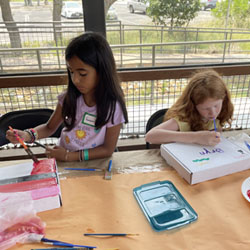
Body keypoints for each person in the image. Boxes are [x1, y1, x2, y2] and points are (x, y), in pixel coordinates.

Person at [6, 32, 128, 162]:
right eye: (71, 72)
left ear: (102, 71)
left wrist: (69, 156)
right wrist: (27, 135)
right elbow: (49, 127)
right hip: (64, 160)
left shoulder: (113, 107)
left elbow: (107, 149)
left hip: (95, 164)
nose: (75, 79)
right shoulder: (68, 98)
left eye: (82, 74)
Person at [145, 70, 234, 146]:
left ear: (224, 99)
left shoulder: (221, 113)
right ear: (193, 105)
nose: (213, 113)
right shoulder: (184, 118)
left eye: (216, 106)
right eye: (205, 108)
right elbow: (150, 136)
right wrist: (196, 137)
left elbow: (218, 132)